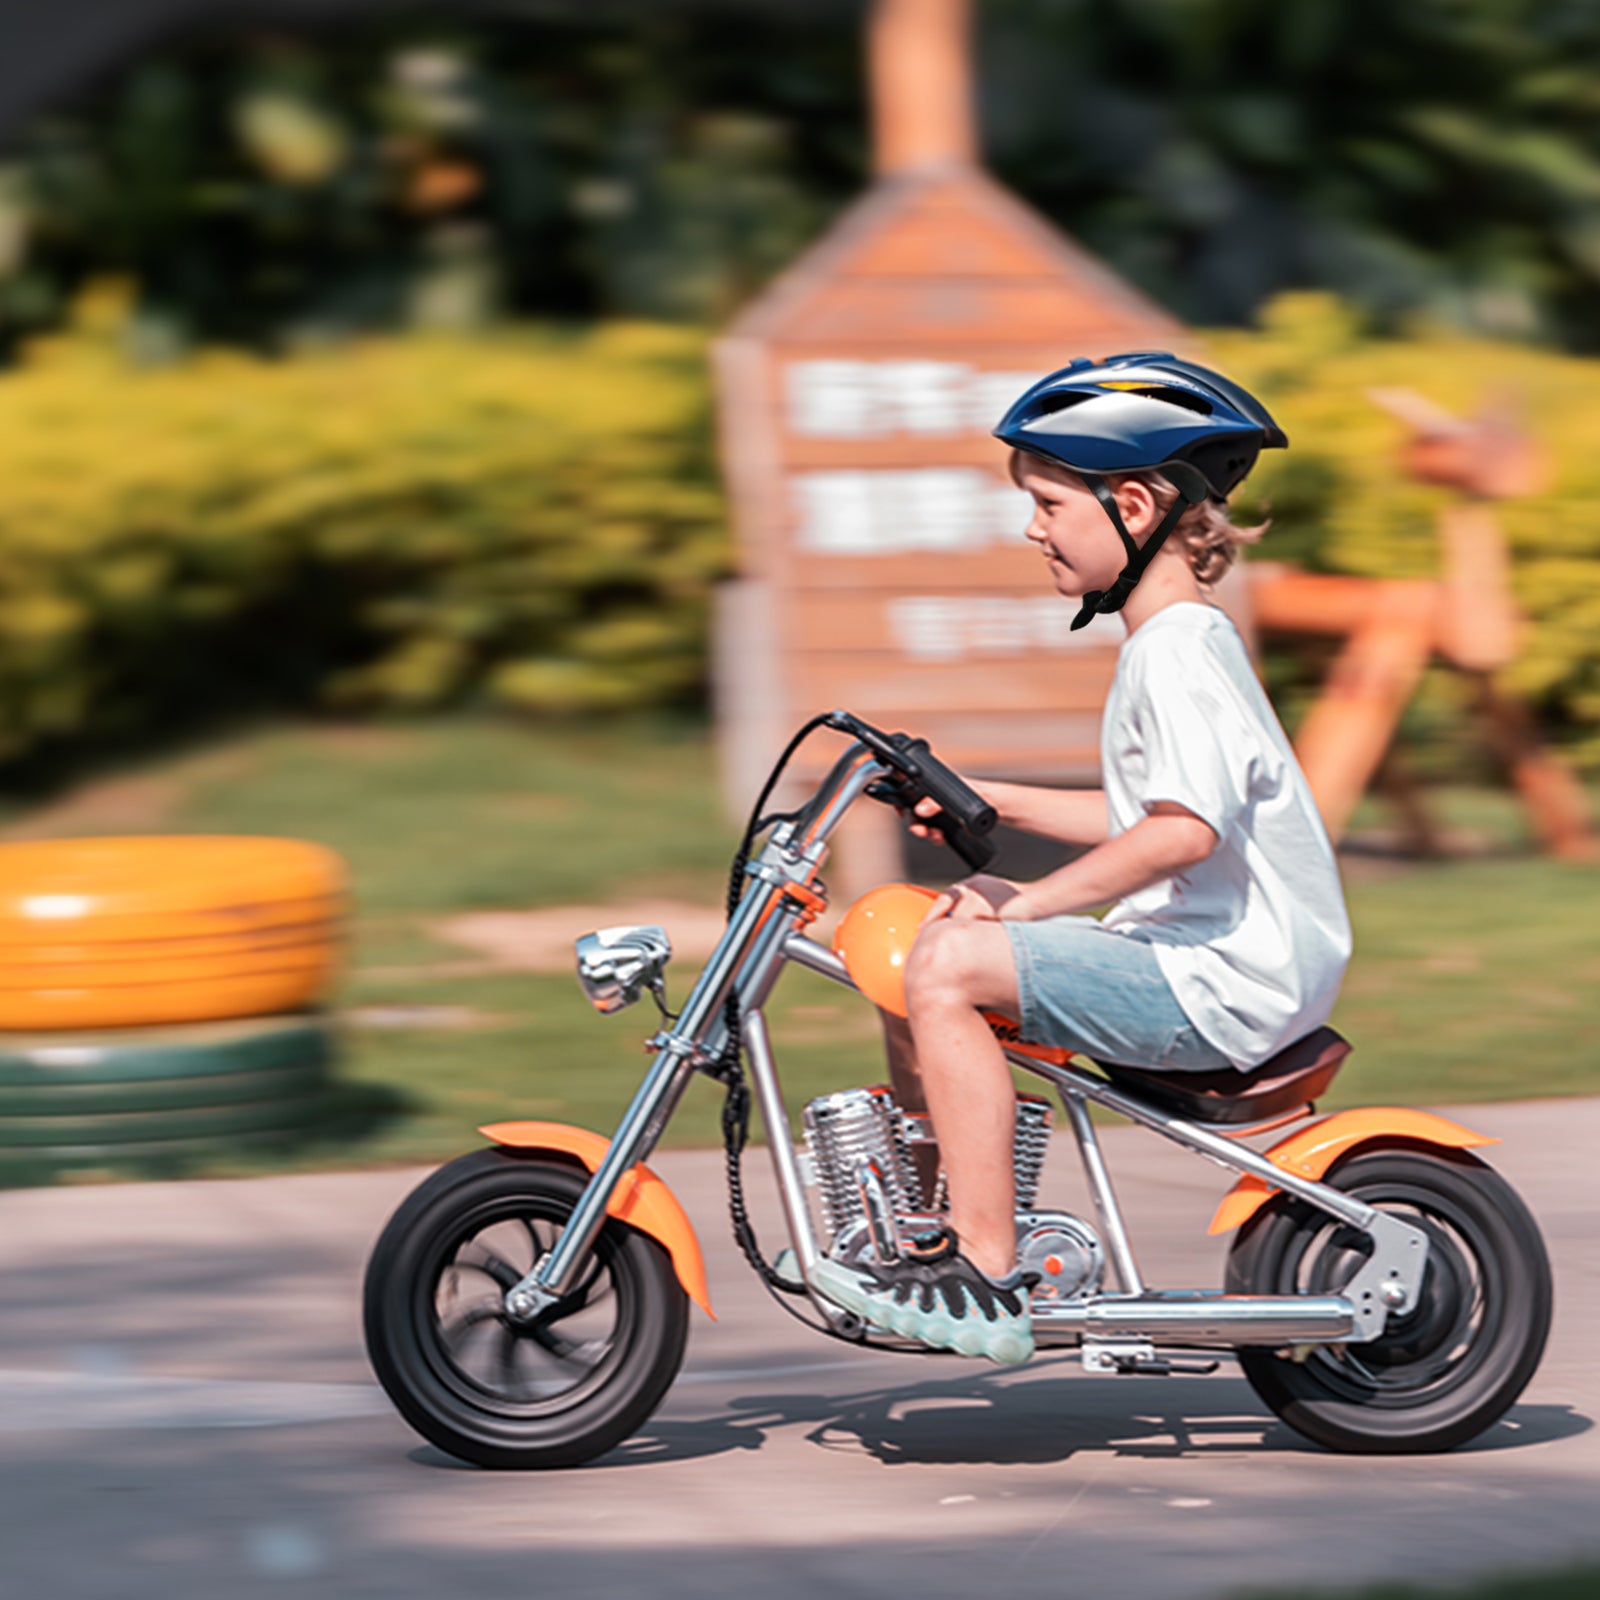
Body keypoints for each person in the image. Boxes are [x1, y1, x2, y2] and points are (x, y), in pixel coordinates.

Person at [812, 353, 1353, 1366]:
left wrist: (1019, 916)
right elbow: (1146, 812)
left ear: (1136, 503)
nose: (1032, 526)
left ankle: (979, 1264)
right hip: (1204, 960)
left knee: (955, 957)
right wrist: (989, 800)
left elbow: (1179, 834)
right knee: (945, 912)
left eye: (1049, 502)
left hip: (1224, 984)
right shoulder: (1175, 640)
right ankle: (933, 1224)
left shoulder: (1179, 648)